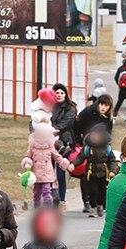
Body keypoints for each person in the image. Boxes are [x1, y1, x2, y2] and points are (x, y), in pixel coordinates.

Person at [73, 94, 114, 212]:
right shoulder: (89, 112)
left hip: (102, 147)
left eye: (106, 105)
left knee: (101, 176)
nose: (103, 107)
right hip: (87, 144)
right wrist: (79, 140)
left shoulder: (108, 118)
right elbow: (77, 124)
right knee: (86, 174)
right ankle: (87, 200)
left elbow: (109, 133)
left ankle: (100, 203)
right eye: (101, 104)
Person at [70, 123, 119, 218]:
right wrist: (73, 164)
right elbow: (80, 157)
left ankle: (100, 205)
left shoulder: (107, 148)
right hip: (91, 172)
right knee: (92, 191)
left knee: (102, 191)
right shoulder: (88, 147)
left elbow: (112, 160)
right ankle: (93, 208)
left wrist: (113, 171)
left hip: (103, 173)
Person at [21, 122, 72, 208]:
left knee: (46, 191)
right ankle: (37, 207)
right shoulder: (32, 147)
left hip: (47, 173)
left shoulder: (50, 147)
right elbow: (28, 156)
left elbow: (57, 157)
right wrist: (27, 163)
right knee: (36, 192)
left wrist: (65, 164)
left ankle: (47, 208)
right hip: (36, 173)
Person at [50, 83, 78, 211]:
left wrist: (54, 129)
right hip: (48, 142)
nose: (59, 95)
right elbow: (36, 120)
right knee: (48, 173)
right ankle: (50, 199)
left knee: (60, 173)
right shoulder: (48, 107)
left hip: (64, 144)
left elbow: (66, 122)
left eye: (62, 93)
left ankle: (62, 201)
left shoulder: (70, 108)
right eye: (57, 93)